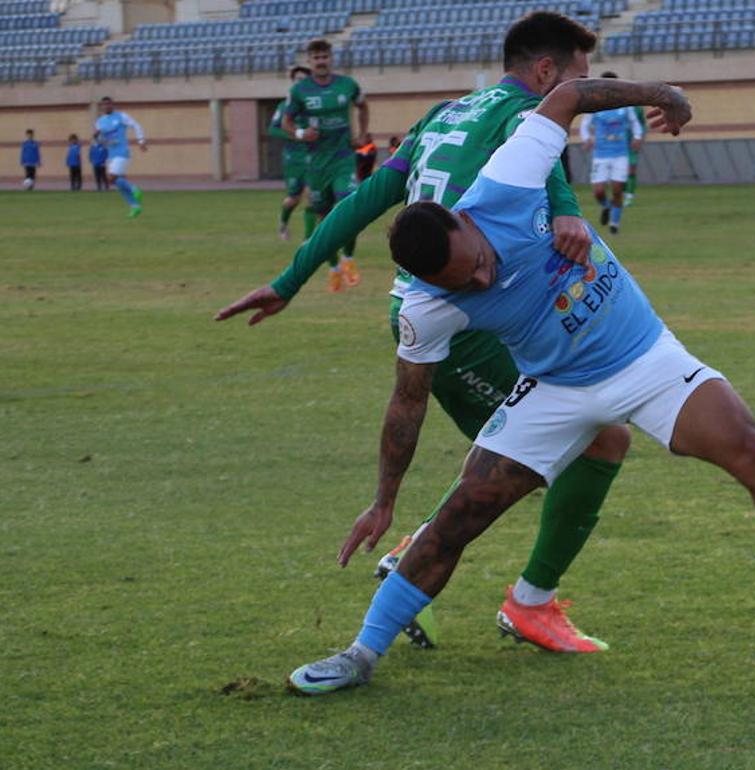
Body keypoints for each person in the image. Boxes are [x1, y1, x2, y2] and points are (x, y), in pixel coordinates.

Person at [285, 74, 755, 696]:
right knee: (460, 516)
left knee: (750, 448)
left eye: (479, 263)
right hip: (553, 390)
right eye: (465, 284)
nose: (484, 281)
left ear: (463, 221)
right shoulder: (424, 306)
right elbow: (406, 402)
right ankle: (360, 654)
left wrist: (662, 94)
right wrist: (384, 500)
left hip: (644, 358)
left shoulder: (509, 182)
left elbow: (568, 93)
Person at [216, 12, 622, 656]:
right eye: (579, 77)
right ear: (547, 73)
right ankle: (513, 597)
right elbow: (551, 183)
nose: (584, 90)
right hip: (456, 319)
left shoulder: (447, 112)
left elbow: (369, 196)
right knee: (589, 442)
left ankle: (505, 590)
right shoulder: (524, 118)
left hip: (463, 310)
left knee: (550, 446)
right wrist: (570, 214)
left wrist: (291, 279)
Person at [283, 38, 369, 292]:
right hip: (316, 164)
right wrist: (300, 133)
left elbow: (363, 106)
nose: (321, 61)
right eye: (316, 58)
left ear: (331, 59)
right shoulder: (300, 91)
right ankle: (333, 268)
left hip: (343, 159)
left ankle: (349, 259)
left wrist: (362, 133)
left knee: (349, 207)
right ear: (309, 62)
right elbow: (286, 122)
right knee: (324, 216)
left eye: (325, 57)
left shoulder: (347, 85)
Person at [579, 71, 643, 234]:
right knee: (598, 191)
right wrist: (587, 139)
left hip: (620, 154)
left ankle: (614, 224)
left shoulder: (625, 106)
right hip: (600, 154)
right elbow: (584, 125)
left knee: (617, 189)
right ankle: (606, 207)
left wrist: (637, 136)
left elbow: (635, 123)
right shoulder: (595, 105)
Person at [270, 65, 316, 243]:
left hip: (314, 157)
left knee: (312, 197)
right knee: (293, 199)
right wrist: (296, 134)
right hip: (293, 159)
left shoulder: (315, 105)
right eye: (297, 80)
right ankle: (283, 223)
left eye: (304, 79)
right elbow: (273, 129)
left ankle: (308, 239)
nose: (301, 82)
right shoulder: (285, 106)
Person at [94, 96, 146, 218]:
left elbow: (136, 125)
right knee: (118, 182)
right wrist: (96, 137)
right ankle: (135, 207)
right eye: (104, 104)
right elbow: (102, 141)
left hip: (122, 153)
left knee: (111, 178)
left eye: (108, 103)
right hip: (111, 155)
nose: (106, 106)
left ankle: (134, 189)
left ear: (113, 104)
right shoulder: (99, 122)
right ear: (101, 106)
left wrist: (141, 141)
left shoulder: (121, 116)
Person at [623, 105, 646, 205]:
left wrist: (639, 138)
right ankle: (622, 193)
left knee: (631, 168)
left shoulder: (638, 108)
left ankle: (629, 195)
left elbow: (642, 124)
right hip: (617, 144)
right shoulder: (616, 106)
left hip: (632, 142)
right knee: (620, 170)